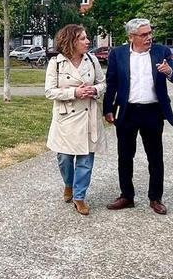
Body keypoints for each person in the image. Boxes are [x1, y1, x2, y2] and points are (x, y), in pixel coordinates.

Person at [103, 18, 173, 215]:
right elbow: (111, 82)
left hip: (153, 112)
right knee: (125, 156)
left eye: (150, 33)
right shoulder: (118, 54)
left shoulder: (160, 51)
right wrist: (108, 109)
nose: (149, 37)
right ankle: (126, 196)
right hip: (127, 112)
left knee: (155, 157)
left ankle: (155, 198)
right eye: (144, 34)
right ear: (131, 37)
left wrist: (169, 70)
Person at [45, 25, 107, 215]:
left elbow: (103, 83)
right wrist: (74, 92)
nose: (87, 41)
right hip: (66, 119)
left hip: (89, 115)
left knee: (86, 159)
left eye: (87, 38)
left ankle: (79, 196)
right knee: (64, 158)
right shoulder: (56, 63)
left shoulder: (92, 59)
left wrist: (95, 90)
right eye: (82, 38)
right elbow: (49, 91)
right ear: (70, 41)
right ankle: (68, 184)